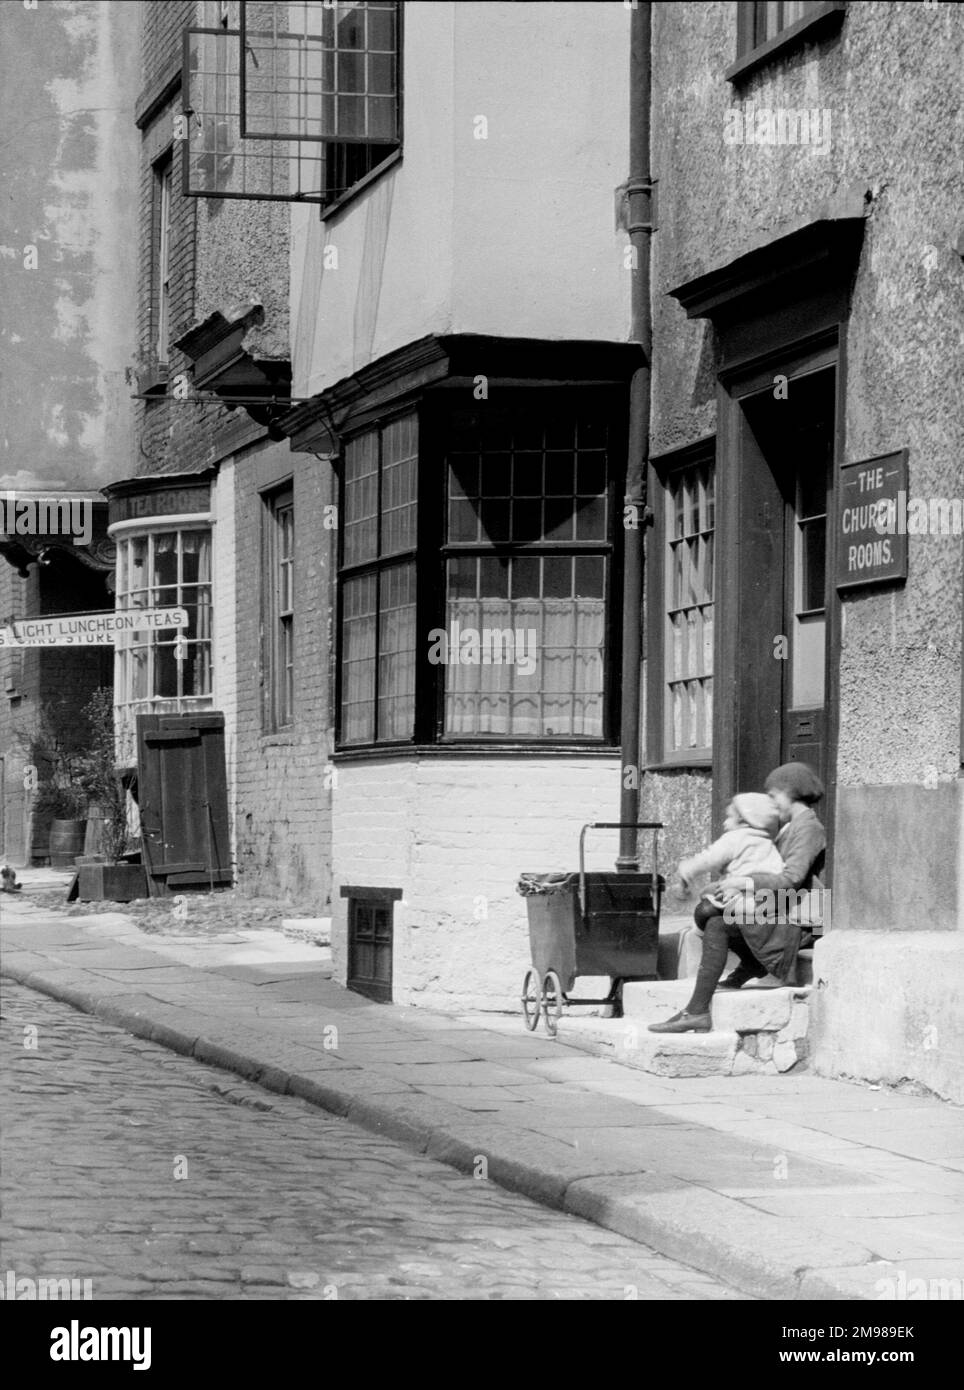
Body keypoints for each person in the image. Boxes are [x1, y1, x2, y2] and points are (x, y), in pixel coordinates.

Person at [649, 762, 827, 1034]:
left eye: (774, 795)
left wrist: (741, 883)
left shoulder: (809, 828)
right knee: (711, 913)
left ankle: (697, 1010)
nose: (770, 802)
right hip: (780, 907)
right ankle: (703, 1005)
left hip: (801, 917)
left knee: (716, 922)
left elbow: (791, 879)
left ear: (791, 792)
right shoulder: (789, 827)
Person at [679, 792, 784, 924]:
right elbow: (777, 872)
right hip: (767, 902)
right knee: (711, 889)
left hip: (738, 899)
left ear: (744, 820)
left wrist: (688, 868)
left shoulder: (734, 838)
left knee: (703, 910)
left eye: (729, 817)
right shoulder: (769, 844)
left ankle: (698, 938)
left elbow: (710, 859)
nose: (724, 822)